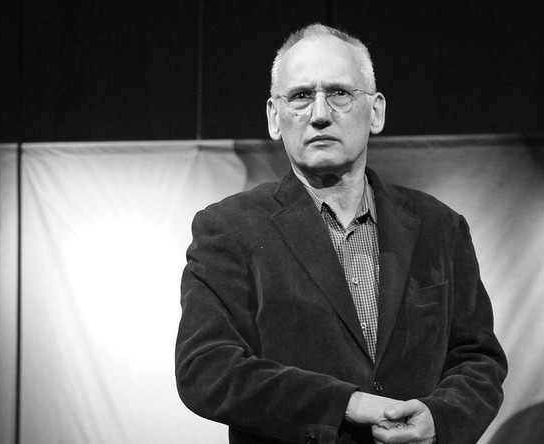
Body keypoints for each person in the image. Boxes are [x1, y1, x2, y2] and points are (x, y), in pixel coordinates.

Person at [175, 23, 507, 444]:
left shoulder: (440, 227)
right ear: (274, 118)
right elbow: (206, 368)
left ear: (376, 111)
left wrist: (440, 419)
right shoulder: (228, 228)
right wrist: (345, 404)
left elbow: (477, 359)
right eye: (300, 96)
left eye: (339, 93)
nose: (319, 114)